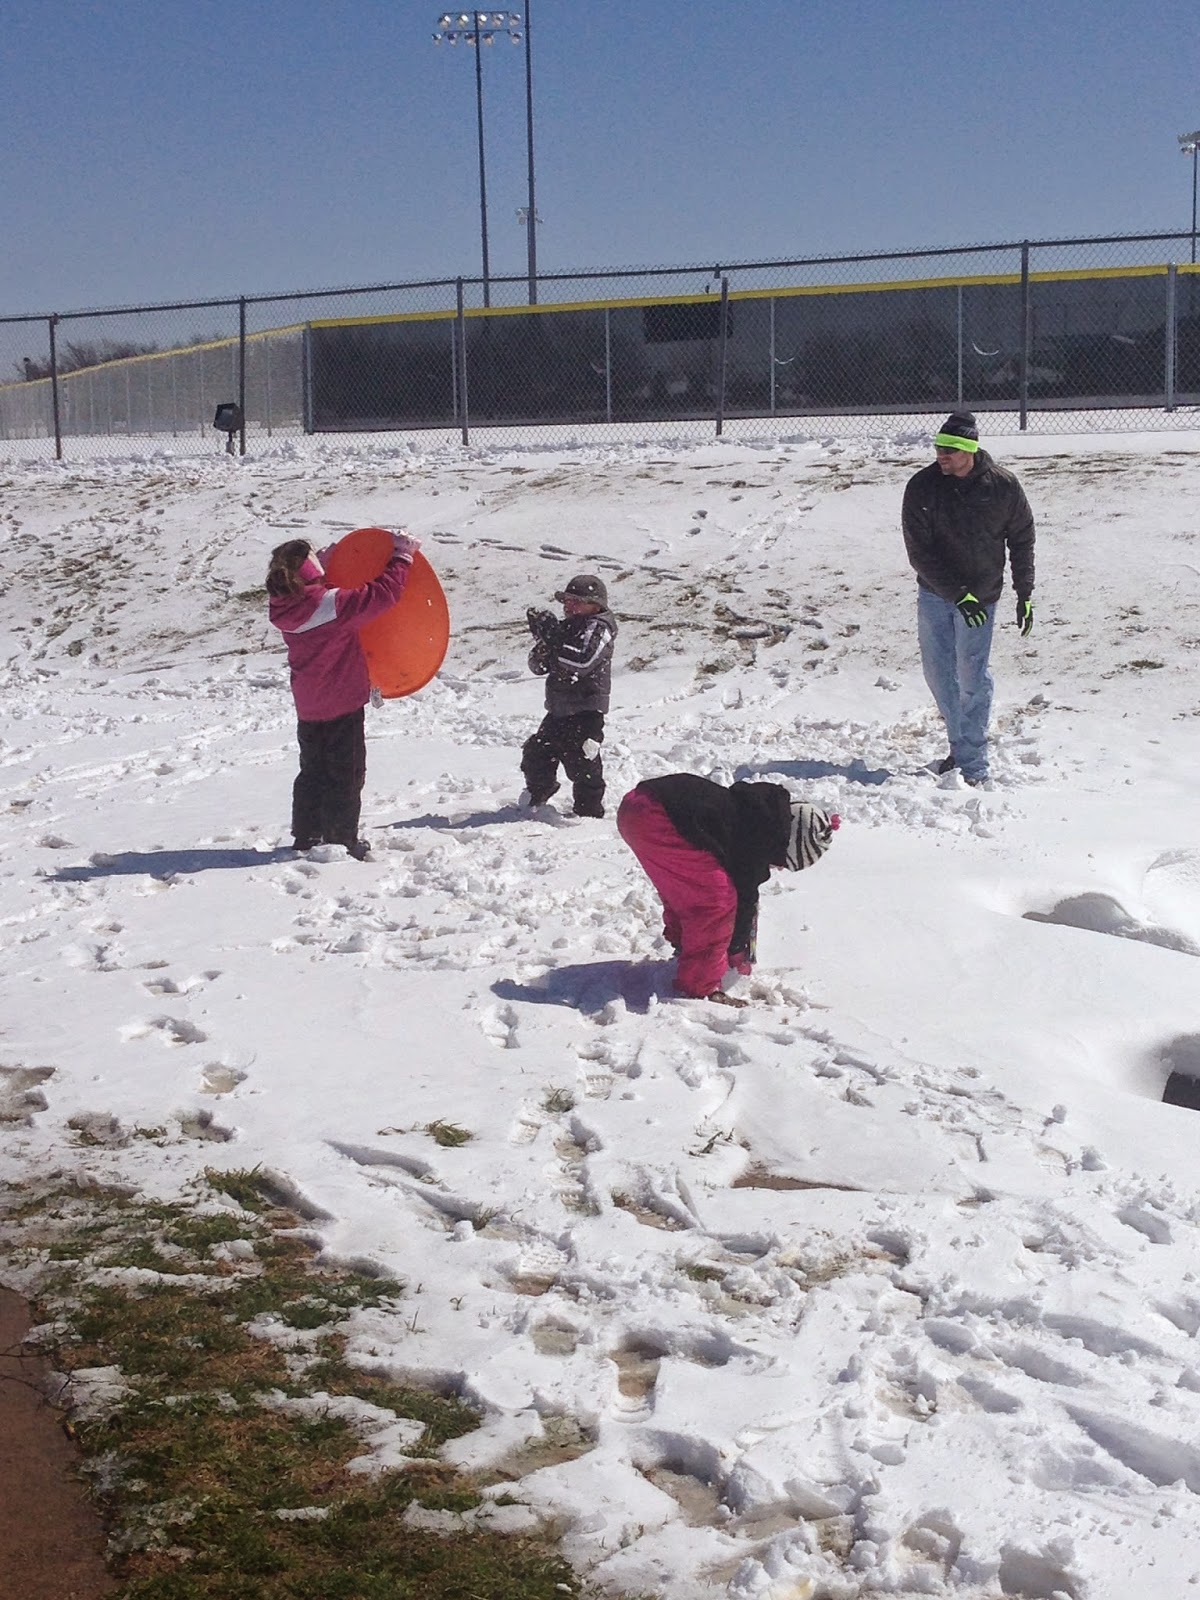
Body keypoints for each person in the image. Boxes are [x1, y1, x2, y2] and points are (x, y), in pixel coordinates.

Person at [616, 774, 838, 1005]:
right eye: (784, 862)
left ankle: (686, 942)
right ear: (787, 845)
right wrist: (738, 951)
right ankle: (700, 984)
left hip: (638, 805)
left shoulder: (757, 813)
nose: (779, 868)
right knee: (717, 900)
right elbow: (744, 900)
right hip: (657, 817)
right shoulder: (758, 839)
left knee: (690, 884)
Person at [901, 411, 1035, 786]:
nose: (940, 455)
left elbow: (1022, 538)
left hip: (982, 596)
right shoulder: (923, 486)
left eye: (949, 449)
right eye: (938, 448)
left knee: (972, 675)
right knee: (938, 674)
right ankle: (960, 746)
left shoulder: (1003, 487)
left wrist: (1024, 592)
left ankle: (973, 764)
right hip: (936, 594)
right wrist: (958, 595)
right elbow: (919, 552)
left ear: (969, 450)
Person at [266, 530, 419, 857]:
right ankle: (340, 840)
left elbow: (311, 599)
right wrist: (402, 557)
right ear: (309, 570)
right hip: (341, 705)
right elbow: (383, 594)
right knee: (345, 775)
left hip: (309, 707)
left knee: (312, 773)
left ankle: (307, 835)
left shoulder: (283, 607)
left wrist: (321, 569)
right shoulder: (332, 605)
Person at [521, 573, 617, 819]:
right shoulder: (567, 627)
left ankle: (589, 812)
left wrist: (554, 641)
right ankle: (538, 793)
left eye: (576, 601)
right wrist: (543, 641)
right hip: (558, 708)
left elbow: (582, 661)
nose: (568, 606)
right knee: (537, 753)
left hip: (586, 710)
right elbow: (537, 666)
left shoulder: (600, 627)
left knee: (583, 762)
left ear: (595, 604)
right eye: (566, 600)